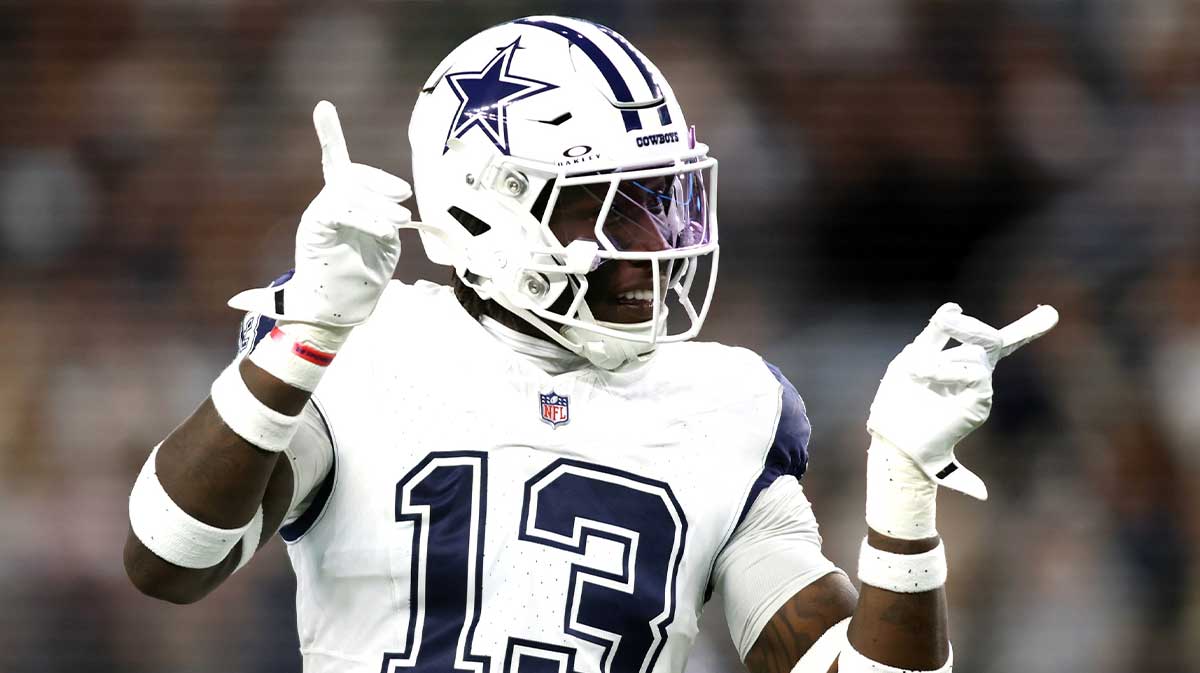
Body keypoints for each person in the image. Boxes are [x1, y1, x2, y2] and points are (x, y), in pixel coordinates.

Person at [123, 16, 1056, 673]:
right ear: (481, 205)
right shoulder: (365, 340)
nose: (654, 244)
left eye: (659, 198)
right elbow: (167, 559)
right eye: (604, 204)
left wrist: (902, 485)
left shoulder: (728, 402)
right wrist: (302, 338)